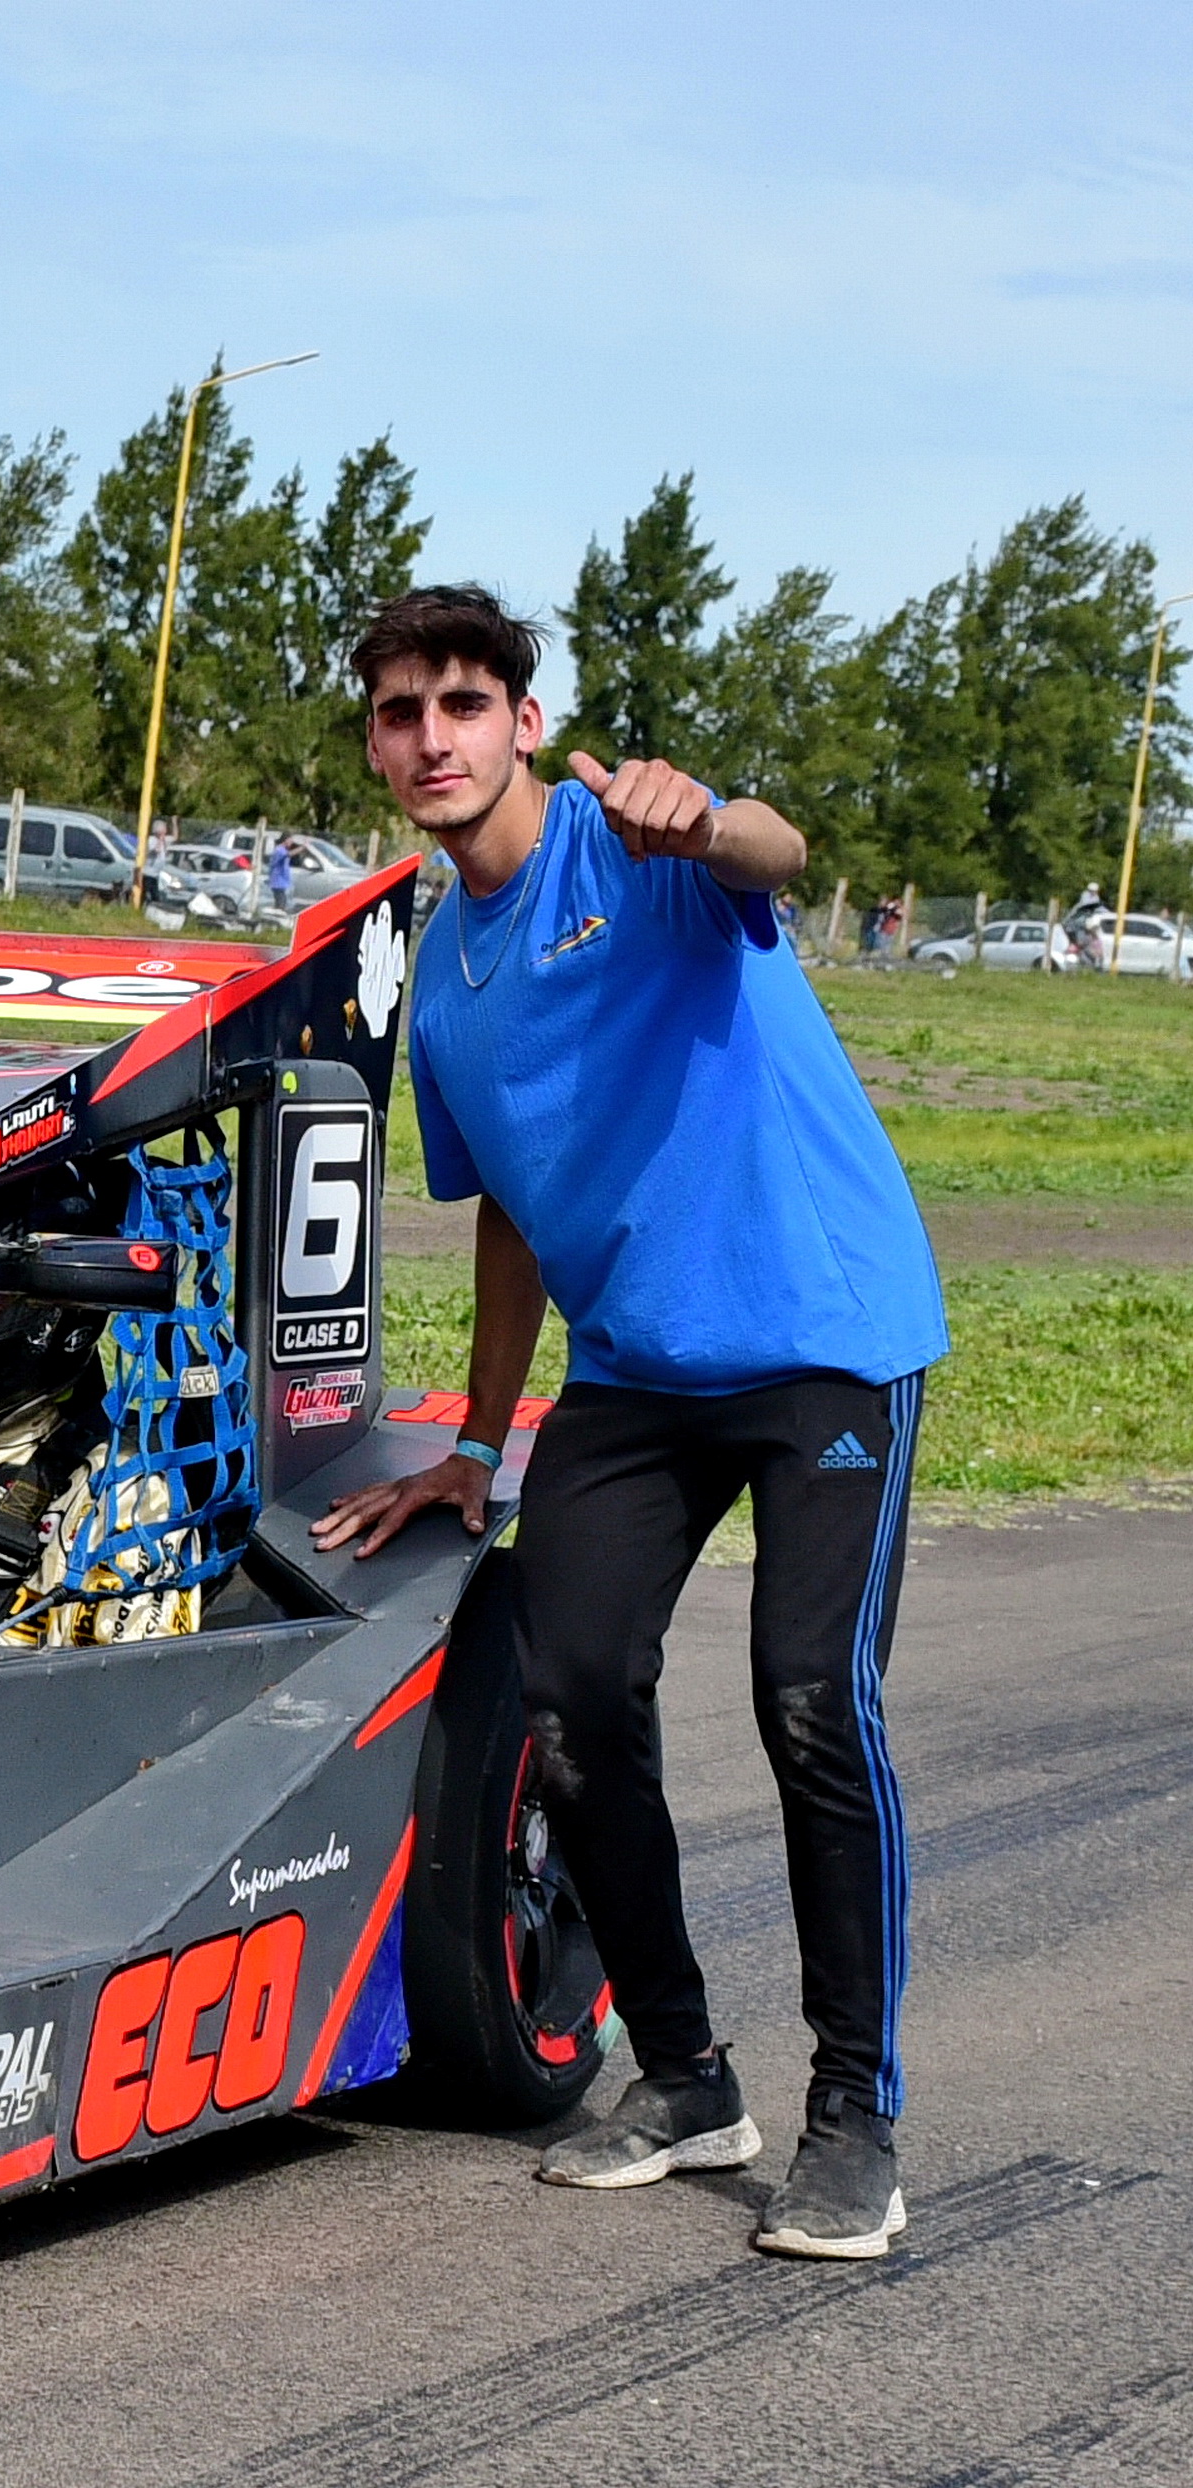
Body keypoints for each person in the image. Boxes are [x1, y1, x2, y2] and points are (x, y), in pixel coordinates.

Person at [310, 585, 946, 2263]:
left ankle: (858, 2117)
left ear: (524, 718)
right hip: (643, 1372)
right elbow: (515, 1211)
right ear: (377, 742)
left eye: (462, 702)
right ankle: (684, 2078)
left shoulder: (633, 849)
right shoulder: (447, 980)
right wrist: (482, 1435)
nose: (432, 737)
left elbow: (777, 852)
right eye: (399, 711)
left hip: (827, 1338)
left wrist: (707, 813)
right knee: (573, 1688)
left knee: (811, 1695)